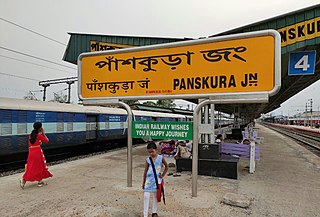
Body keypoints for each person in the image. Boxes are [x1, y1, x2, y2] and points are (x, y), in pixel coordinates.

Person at [20, 122, 53, 188]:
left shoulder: (30, 135)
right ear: (40, 128)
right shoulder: (39, 135)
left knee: (31, 167)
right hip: (37, 152)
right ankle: (39, 182)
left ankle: (23, 180)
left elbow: (31, 144)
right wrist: (43, 133)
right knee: (40, 166)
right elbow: (47, 140)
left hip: (31, 152)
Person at [142, 141, 168, 217]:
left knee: (156, 197)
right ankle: (145, 214)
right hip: (148, 181)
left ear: (156, 150)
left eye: (152, 151)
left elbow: (166, 166)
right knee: (146, 196)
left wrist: (162, 175)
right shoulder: (148, 160)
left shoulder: (161, 158)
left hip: (157, 181)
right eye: (149, 152)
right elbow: (145, 171)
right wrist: (143, 182)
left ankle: (154, 212)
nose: (151, 153)